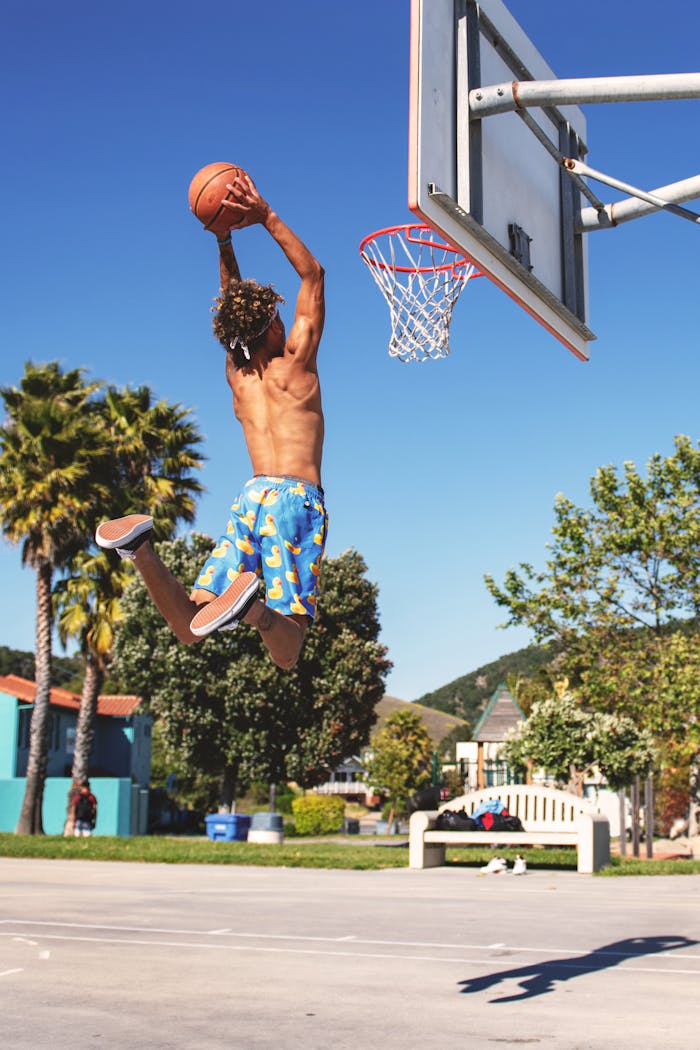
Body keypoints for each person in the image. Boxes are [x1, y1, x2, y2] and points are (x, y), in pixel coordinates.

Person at [96, 174, 327, 670]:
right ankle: (256, 613)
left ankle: (139, 549)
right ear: (274, 324)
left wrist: (224, 239)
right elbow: (313, 276)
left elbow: (232, 308)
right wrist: (265, 215)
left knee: (190, 625)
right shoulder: (296, 367)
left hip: (251, 498)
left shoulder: (237, 375)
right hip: (294, 501)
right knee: (287, 651)